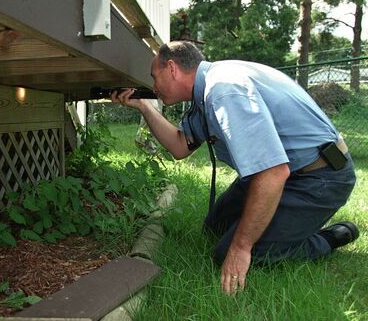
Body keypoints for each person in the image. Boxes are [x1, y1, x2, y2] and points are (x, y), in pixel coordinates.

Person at [112, 41, 359, 295]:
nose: (153, 87)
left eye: (155, 77)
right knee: (215, 229)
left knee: (235, 250)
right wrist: (143, 106)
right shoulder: (207, 90)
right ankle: (287, 227)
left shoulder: (224, 89)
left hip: (319, 177)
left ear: (172, 68)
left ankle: (329, 238)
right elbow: (179, 146)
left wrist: (241, 249)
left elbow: (273, 172)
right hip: (283, 173)